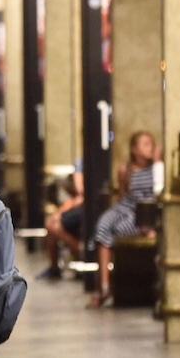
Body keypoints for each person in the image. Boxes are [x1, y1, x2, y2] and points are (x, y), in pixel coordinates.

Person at [87, 131, 160, 308]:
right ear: (134, 150)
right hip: (125, 207)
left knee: (119, 229)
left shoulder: (156, 169)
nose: (150, 148)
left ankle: (106, 288)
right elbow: (121, 196)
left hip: (143, 211)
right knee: (103, 226)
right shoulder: (125, 169)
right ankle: (104, 286)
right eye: (145, 144)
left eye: (151, 144)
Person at [38, 164, 84, 280]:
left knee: (53, 225)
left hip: (86, 208)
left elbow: (81, 194)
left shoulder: (87, 164)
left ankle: (81, 252)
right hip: (79, 207)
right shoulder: (80, 164)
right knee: (51, 223)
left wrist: (60, 213)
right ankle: (54, 267)